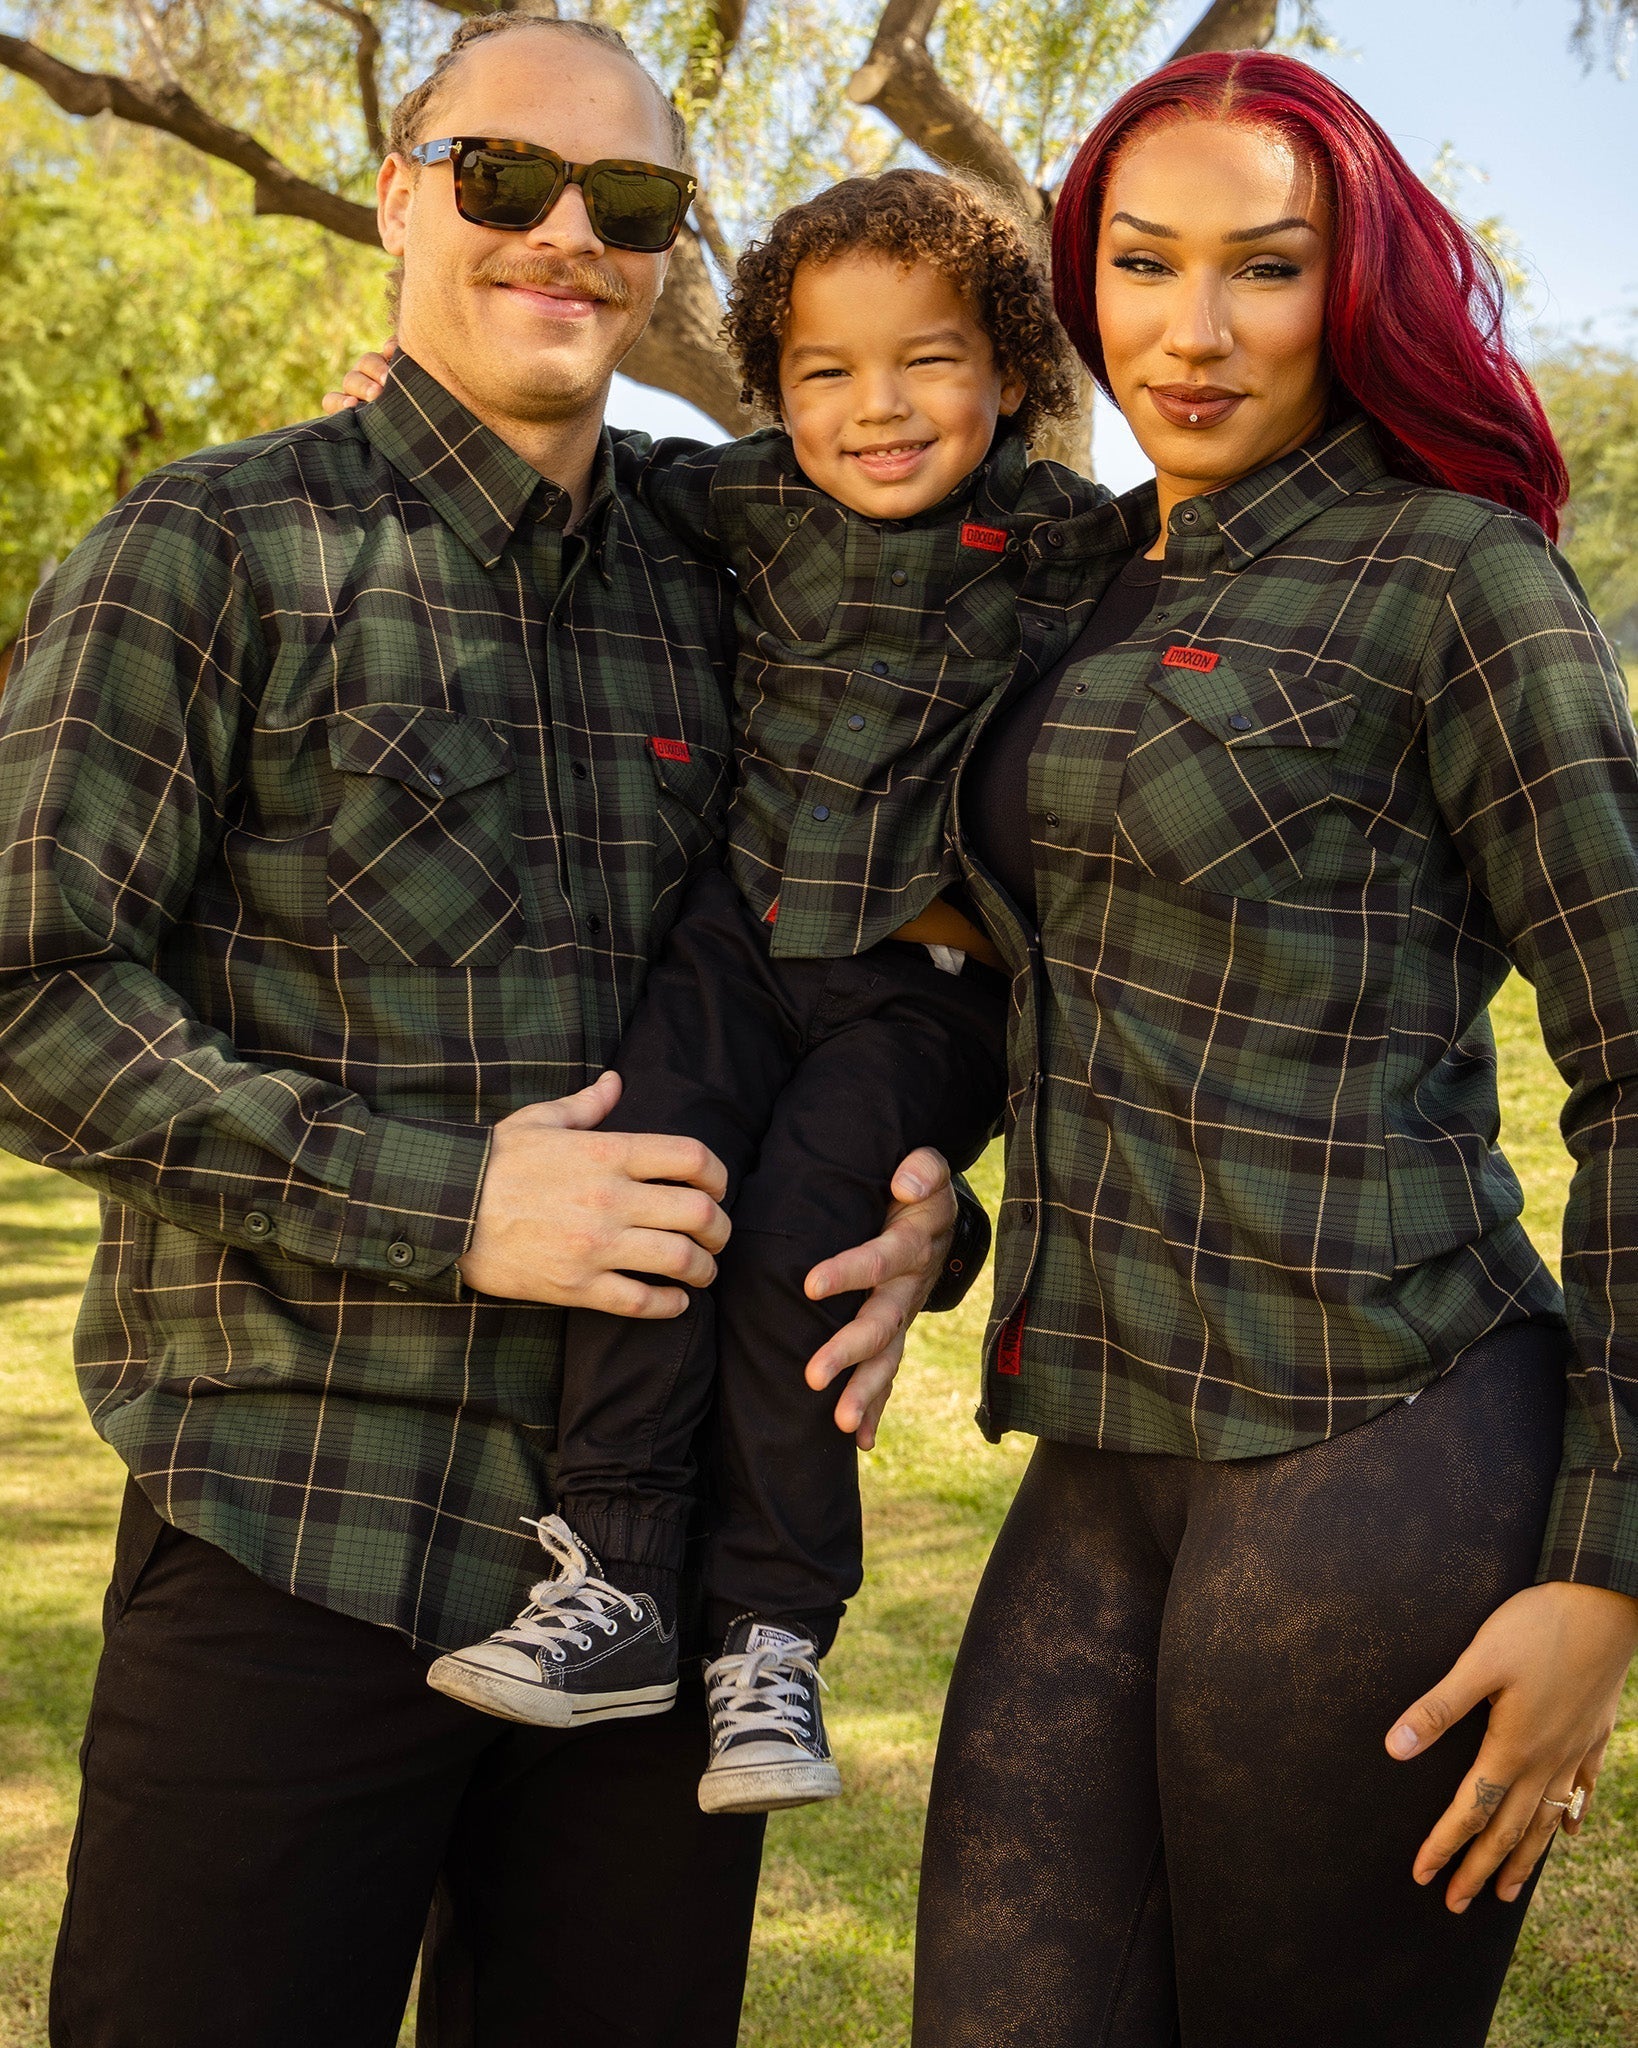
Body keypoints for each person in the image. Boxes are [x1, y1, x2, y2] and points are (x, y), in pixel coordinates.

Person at [0, 18, 968, 2048]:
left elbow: (881, 912)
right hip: (300, 1528)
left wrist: (920, 1219)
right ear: (397, 196)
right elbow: (33, 987)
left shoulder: (741, 564)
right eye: (504, 176)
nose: (565, 233)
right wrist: (450, 1203)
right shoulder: (214, 548)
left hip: (658, 1593)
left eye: (633, 201)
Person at [912, 50, 1638, 2048]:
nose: (1195, 330)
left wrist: (1607, 1574)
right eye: (1143, 263)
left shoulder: (1456, 576)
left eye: (1267, 266)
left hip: (1381, 1446)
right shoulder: (1074, 573)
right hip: (1099, 1444)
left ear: (1355, 285)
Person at [331, 168, 1105, 1816]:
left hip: (924, 981)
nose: (875, 407)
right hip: (738, 942)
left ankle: (768, 1633)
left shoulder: (1069, 540)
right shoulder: (735, 500)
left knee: (800, 1238)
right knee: (650, 1185)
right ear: (772, 390)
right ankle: (613, 1576)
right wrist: (397, 411)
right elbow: (560, 469)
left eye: (929, 361)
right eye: (825, 371)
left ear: (1012, 370)